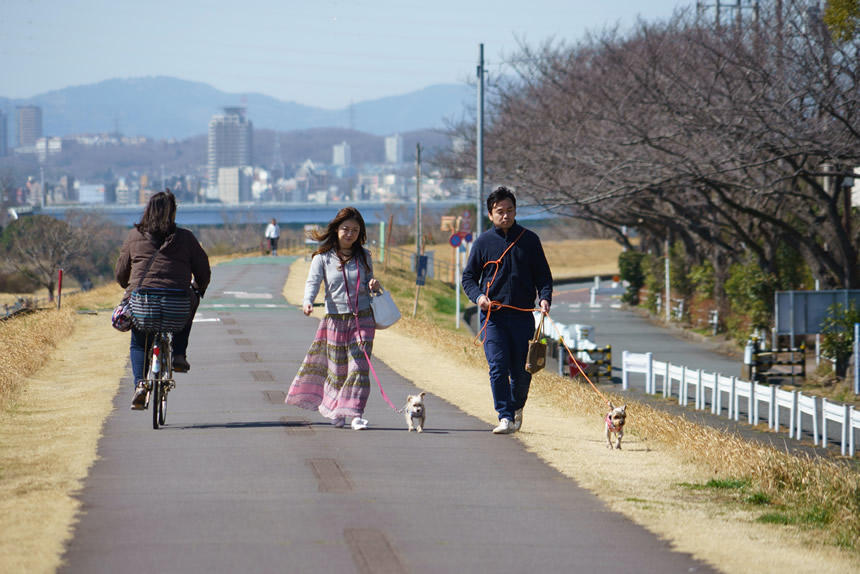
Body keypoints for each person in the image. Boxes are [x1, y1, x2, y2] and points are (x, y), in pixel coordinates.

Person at [462, 186, 552, 434]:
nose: (505, 216)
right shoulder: (482, 243)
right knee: (498, 367)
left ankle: (516, 407)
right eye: (499, 211)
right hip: (493, 318)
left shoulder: (530, 239)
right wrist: (479, 297)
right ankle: (504, 415)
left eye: (510, 210)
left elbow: (543, 276)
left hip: (523, 316)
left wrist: (544, 298)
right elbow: (468, 278)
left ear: (515, 211)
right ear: (490, 215)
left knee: (522, 372)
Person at [285, 207, 381, 430]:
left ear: (360, 233)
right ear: (336, 229)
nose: (350, 234)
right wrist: (307, 300)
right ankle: (337, 410)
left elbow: (370, 282)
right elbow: (313, 282)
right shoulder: (323, 257)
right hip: (335, 320)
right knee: (337, 369)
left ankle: (355, 412)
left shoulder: (364, 256)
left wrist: (374, 285)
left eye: (355, 230)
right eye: (346, 229)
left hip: (363, 318)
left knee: (359, 367)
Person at [115, 190, 211, 410]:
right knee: (191, 300)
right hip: (177, 306)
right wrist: (199, 288)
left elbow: (121, 272)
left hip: (142, 305)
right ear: (173, 212)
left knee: (139, 342)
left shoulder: (133, 236)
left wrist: (127, 288)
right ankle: (178, 353)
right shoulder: (186, 238)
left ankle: (140, 383)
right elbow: (203, 270)